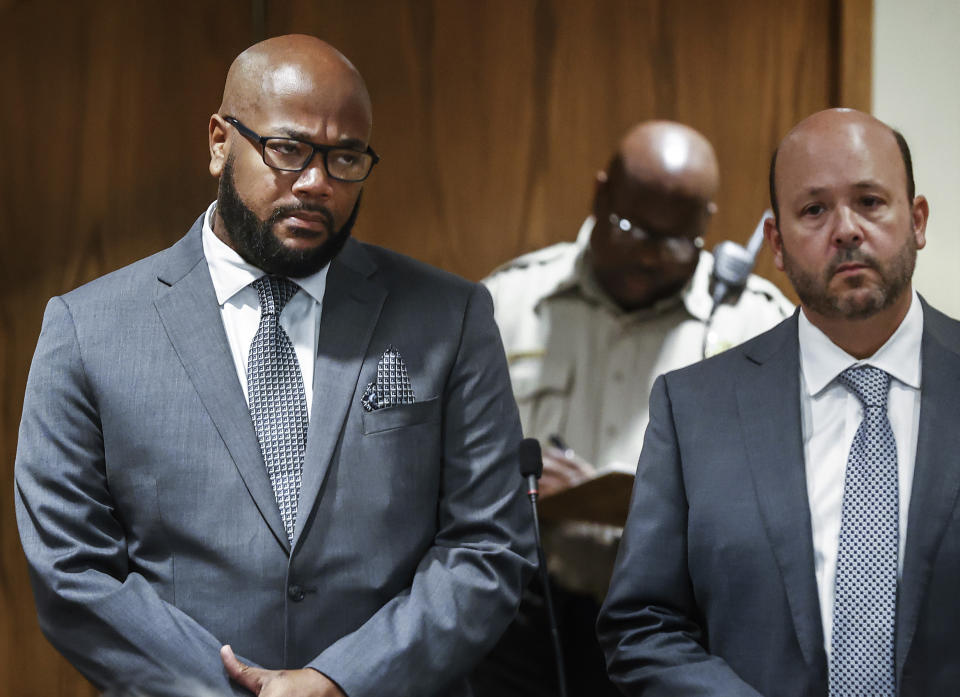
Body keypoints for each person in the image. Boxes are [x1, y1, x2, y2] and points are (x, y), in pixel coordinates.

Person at [15, 35, 535, 697]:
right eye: (288, 150)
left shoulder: (449, 316)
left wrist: (340, 680)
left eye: (346, 156)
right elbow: (72, 568)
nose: (317, 183)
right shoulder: (89, 328)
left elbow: (488, 546)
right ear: (218, 141)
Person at [598, 107, 960, 696]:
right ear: (777, 243)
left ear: (916, 219)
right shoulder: (693, 409)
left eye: (870, 201)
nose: (846, 229)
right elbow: (643, 624)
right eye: (814, 210)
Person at [476, 122, 792, 695]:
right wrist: (512, 485)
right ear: (600, 196)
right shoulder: (507, 303)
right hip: (527, 610)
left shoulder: (755, 325)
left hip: (681, 625)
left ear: (706, 226)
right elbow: (439, 465)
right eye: (631, 229)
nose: (648, 257)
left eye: (675, 242)